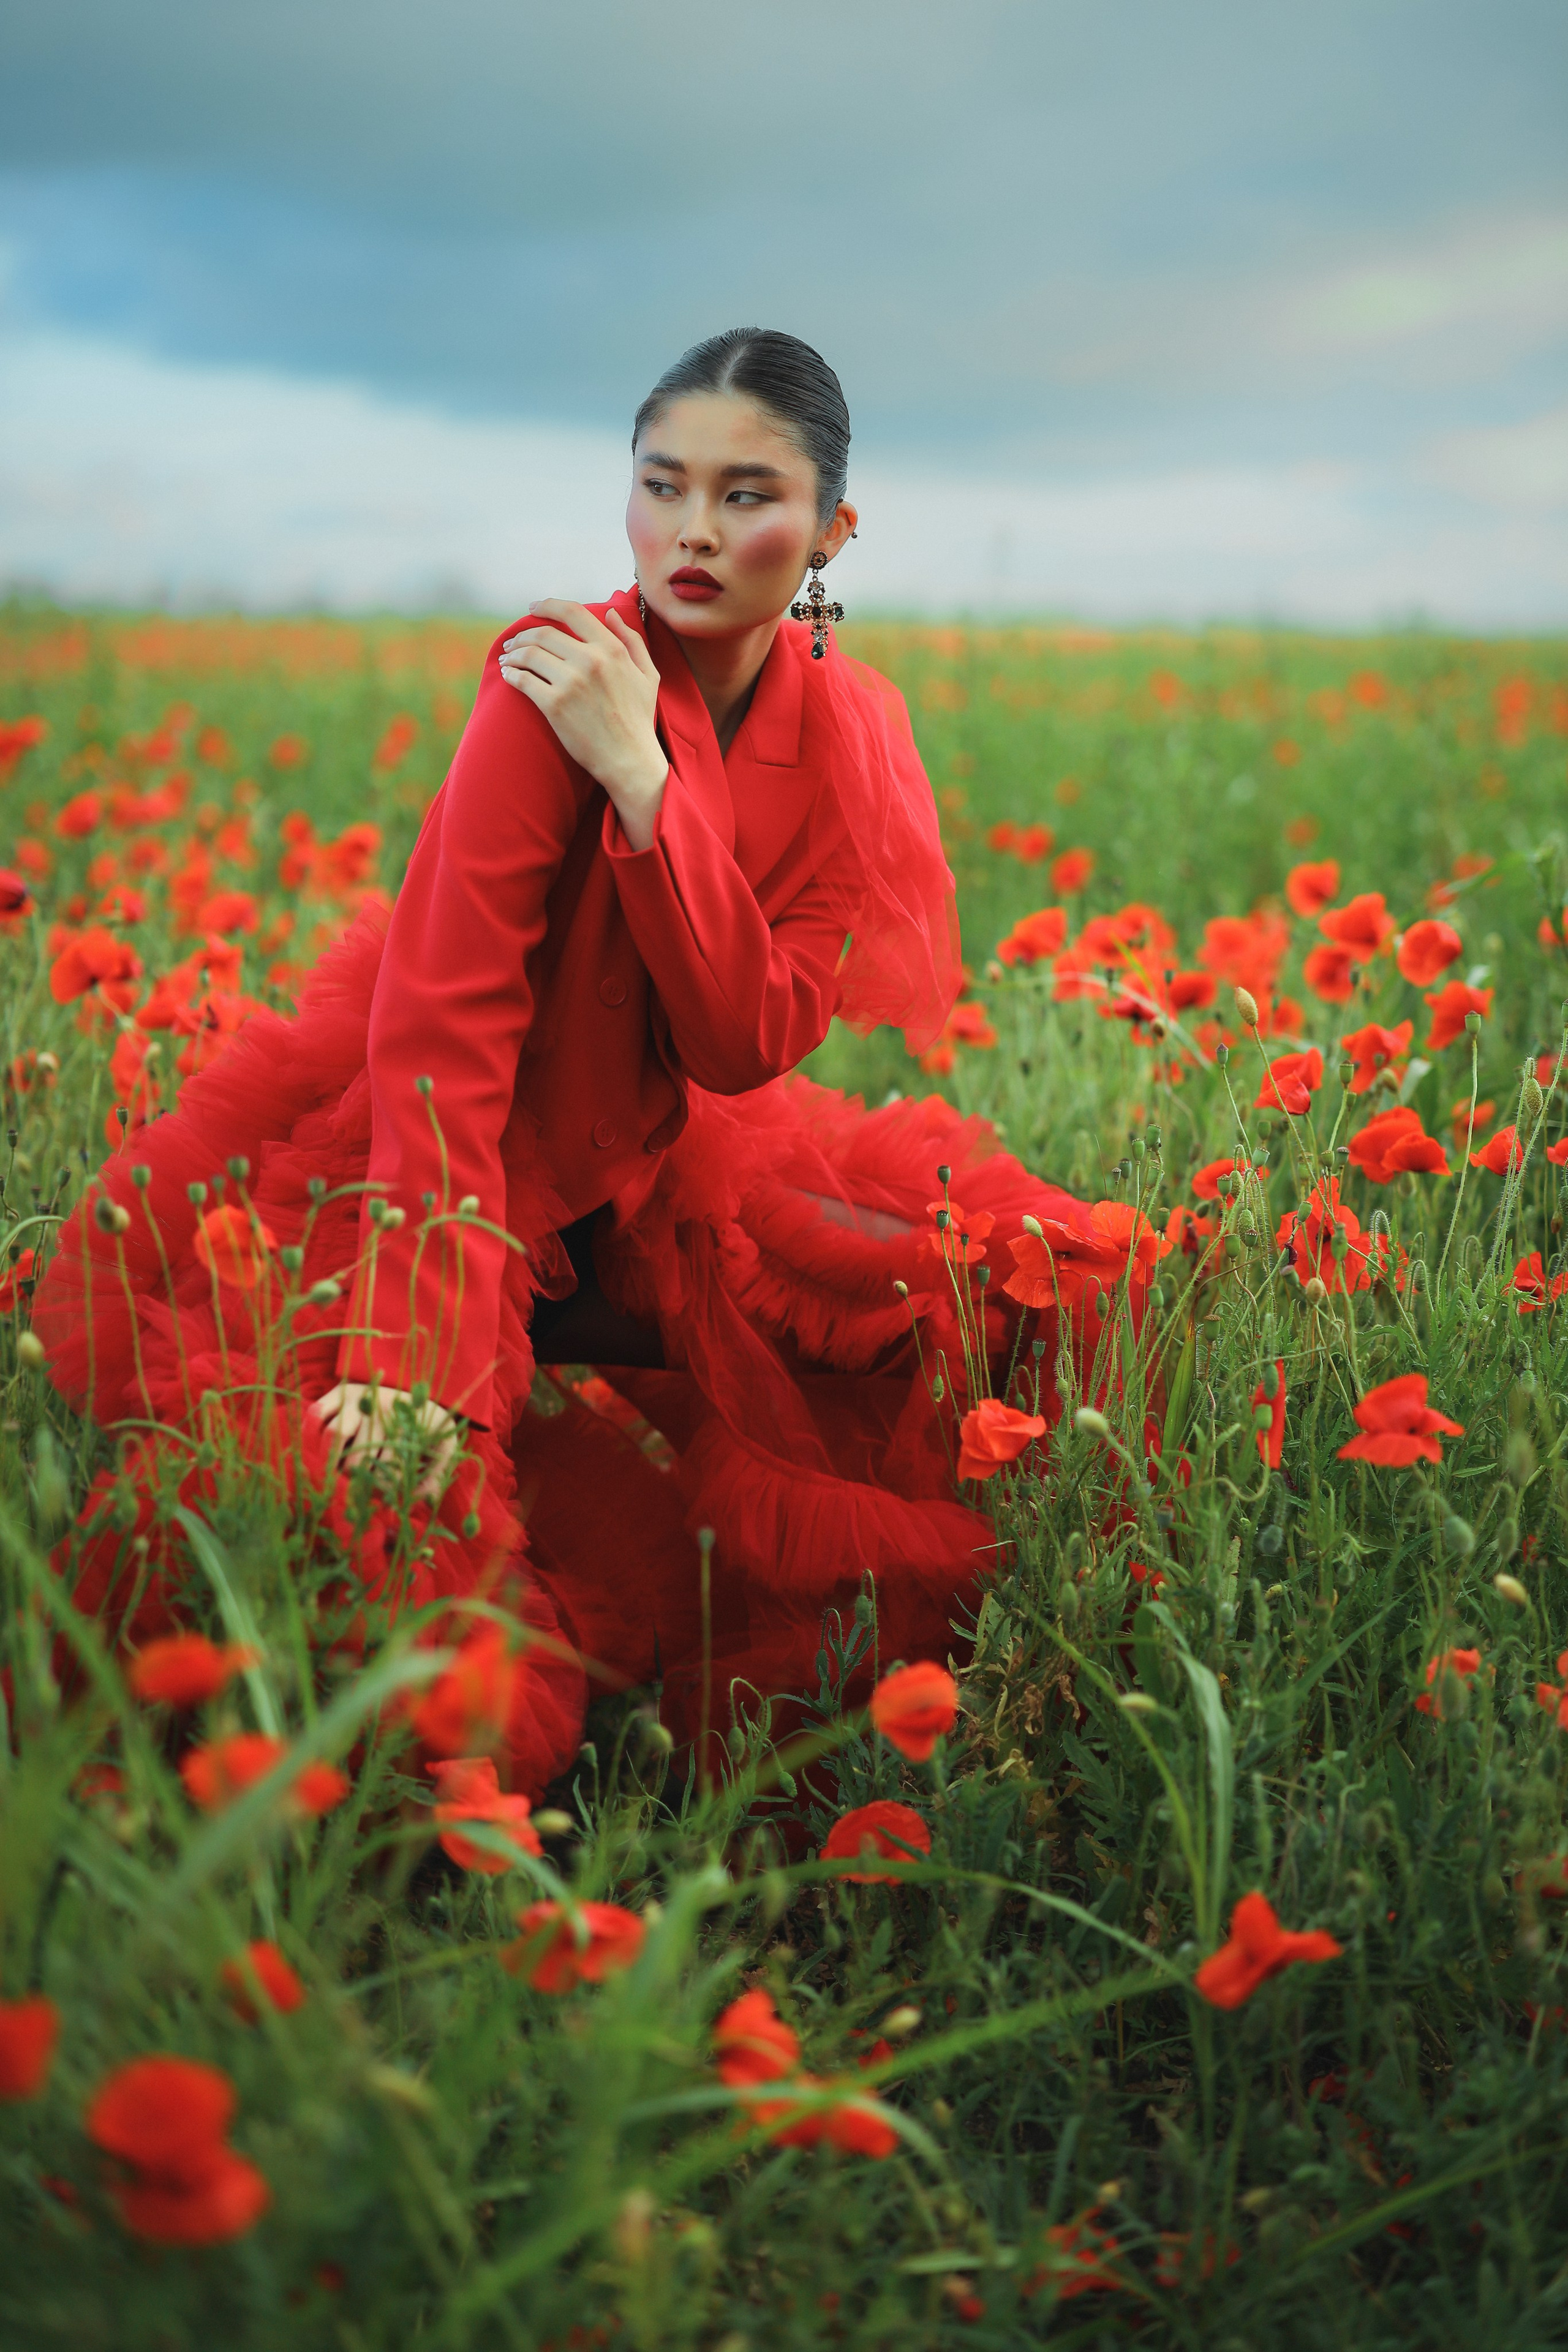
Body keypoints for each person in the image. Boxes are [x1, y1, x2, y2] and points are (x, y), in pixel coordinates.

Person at [37, 328, 1091, 1793]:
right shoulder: (551, 679)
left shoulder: (844, 730)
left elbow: (746, 1039)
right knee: (385, 1514)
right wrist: (411, 1361)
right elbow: (445, 1024)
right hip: (441, 1164)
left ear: (833, 530)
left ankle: (906, 1729)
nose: (695, 533)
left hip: (659, 1159)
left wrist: (649, 787)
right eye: (662, 488)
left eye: (746, 495)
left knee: (1005, 1281)